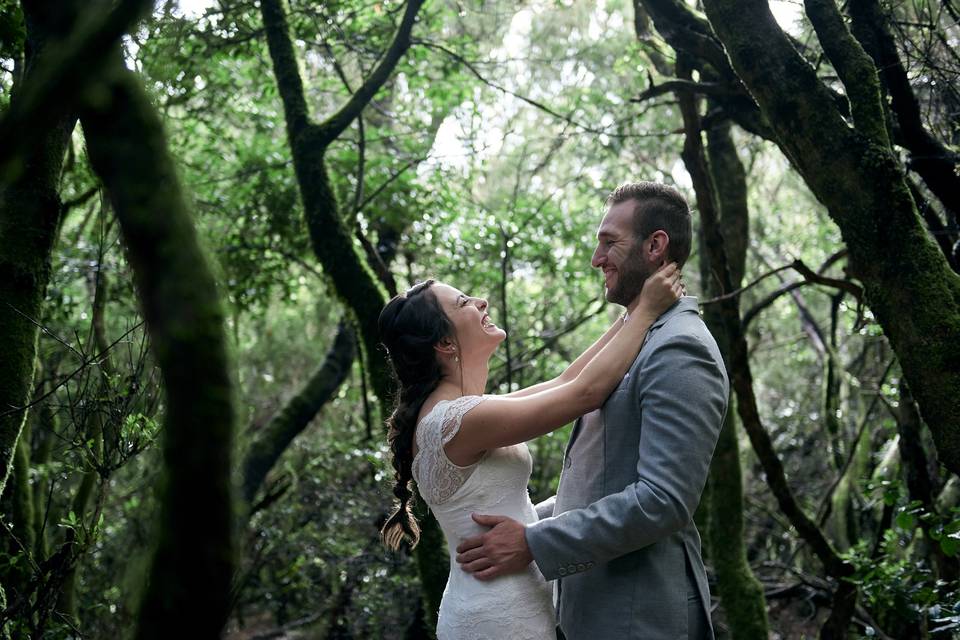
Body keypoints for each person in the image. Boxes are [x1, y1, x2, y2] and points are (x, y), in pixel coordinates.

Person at [454, 182, 728, 639]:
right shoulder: (636, 337)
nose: (597, 259)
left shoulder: (680, 348)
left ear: (656, 245)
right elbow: (602, 478)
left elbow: (663, 501)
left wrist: (533, 542)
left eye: (610, 242)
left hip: (639, 619)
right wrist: (527, 519)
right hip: (591, 613)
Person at [377, 259, 684, 638]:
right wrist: (649, 310)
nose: (481, 301)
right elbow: (584, 393)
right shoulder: (458, 420)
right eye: (464, 303)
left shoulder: (458, 415)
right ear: (445, 343)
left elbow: (567, 380)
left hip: (499, 602)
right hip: (498, 618)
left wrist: (634, 311)